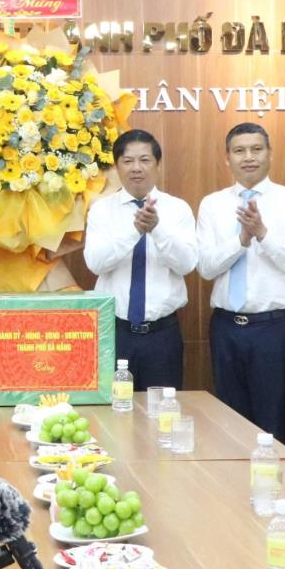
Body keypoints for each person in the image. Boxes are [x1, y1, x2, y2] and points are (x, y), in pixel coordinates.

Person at [196, 122, 285, 444]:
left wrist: (262, 234)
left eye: (256, 149)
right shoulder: (212, 204)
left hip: (275, 327)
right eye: (240, 150)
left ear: (269, 154)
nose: (249, 157)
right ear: (227, 158)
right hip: (226, 326)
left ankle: (273, 478)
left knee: (272, 421)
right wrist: (241, 240)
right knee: (229, 423)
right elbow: (205, 268)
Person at [83, 129, 197, 390]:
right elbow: (95, 263)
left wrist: (157, 229)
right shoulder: (102, 210)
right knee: (114, 408)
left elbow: (187, 264)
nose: (136, 168)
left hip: (162, 335)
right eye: (128, 161)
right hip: (115, 333)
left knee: (161, 410)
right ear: (117, 167)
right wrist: (134, 231)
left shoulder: (177, 209)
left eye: (145, 160)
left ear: (158, 165)